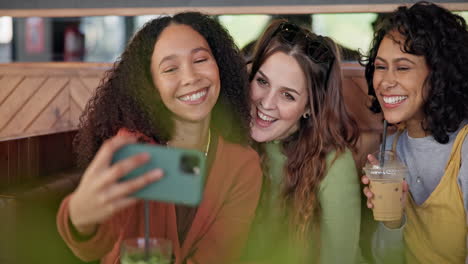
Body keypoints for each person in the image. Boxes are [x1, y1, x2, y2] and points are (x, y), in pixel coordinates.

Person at [56, 12, 262, 264]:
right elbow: (96, 244)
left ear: (220, 66)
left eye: (200, 59)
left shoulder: (242, 163)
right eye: (170, 68)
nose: (190, 77)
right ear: (150, 86)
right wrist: (79, 218)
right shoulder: (134, 150)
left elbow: (218, 256)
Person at [243, 20, 361, 263]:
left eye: (287, 95)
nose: (266, 103)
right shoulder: (234, 141)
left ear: (308, 107)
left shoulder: (333, 162)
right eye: (262, 82)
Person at [360, 2, 468, 263]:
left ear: (440, 74)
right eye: (381, 66)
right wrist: (393, 220)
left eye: (403, 67)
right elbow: (386, 258)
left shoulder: (464, 149)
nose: (385, 82)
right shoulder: (391, 148)